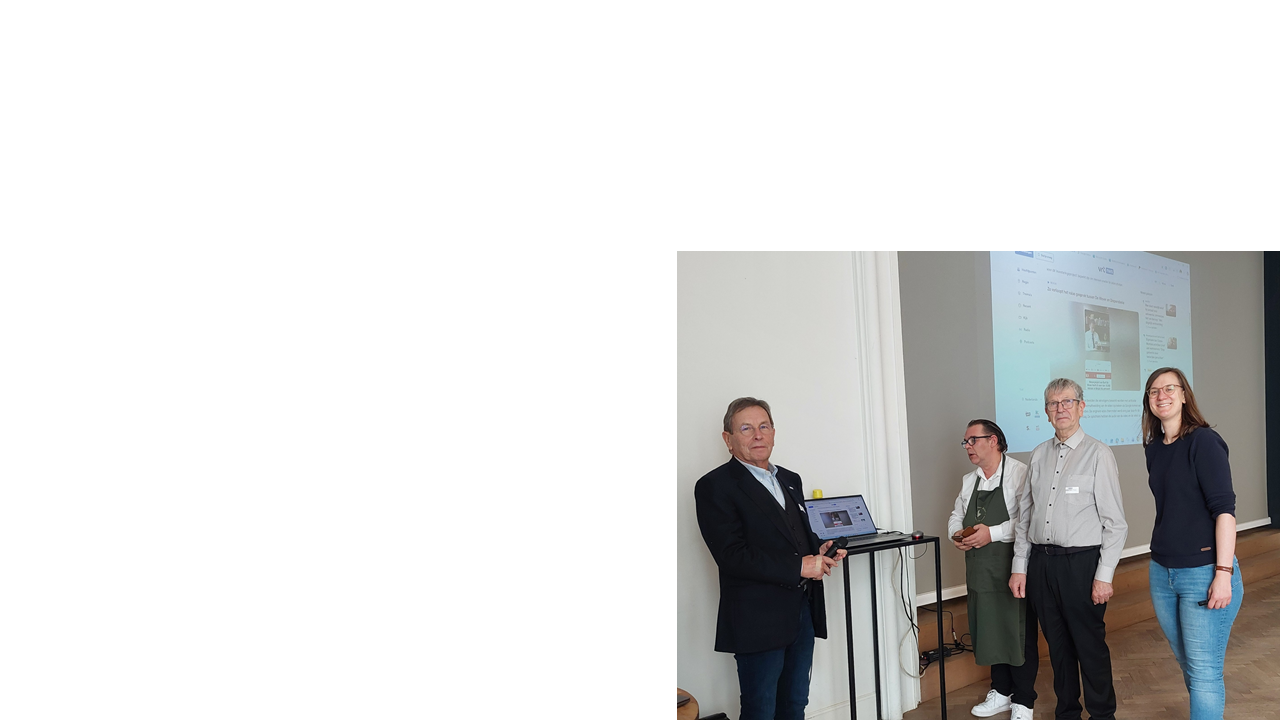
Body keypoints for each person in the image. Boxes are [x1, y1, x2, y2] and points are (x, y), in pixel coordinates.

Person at [694, 397, 846, 720]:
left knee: (795, 704)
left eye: (764, 426)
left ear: (774, 432)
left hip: (801, 613)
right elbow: (731, 555)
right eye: (746, 428)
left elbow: (793, 535)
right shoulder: (714, 486)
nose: (758, 435)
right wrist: (800, 566)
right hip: (756, 620)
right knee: (760, 710)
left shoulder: (790, 479)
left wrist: (818, 551)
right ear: (728, 439)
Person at [1010, 378, 1127, 720]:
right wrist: (1020, 566)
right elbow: (1025, 517)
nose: (1060, 408)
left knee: (1089, 646)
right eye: (1053, 403)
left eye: (1067, 402)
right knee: (1058, 649)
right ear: (1046, 412)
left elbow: (1115, 523)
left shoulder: (1098, 454)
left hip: (1082, 565)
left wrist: (1104, 576)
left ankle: (1102, 714)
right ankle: (1067, 713)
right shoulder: (1038, 455)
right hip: (1041, 565)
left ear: (1081, 407)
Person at [1142, 367, 1242, 720]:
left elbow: (1224, 511)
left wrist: (1223, 573)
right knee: (1190, 664)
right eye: (1154, 391)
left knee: (1203, 672)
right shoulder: (1154, 448)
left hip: (1204, 573)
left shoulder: (1204, 441)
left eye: (1170, 388)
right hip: (1162, 572)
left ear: (1184, 395)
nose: (1162, 396)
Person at [949, 420, 1037, 720]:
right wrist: (956, 534)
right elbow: (956, 514)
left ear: (994, 441)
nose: (968, 447)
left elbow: (1027, 521)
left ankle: (1023, 700)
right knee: (990, 629)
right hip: (980, 571)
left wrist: (992, 533)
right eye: (965, 442)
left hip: (1012, 567)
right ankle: (1000, 691)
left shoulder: (1019, 474)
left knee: (1017, 632)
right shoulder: (969, 480)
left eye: (973, 440)